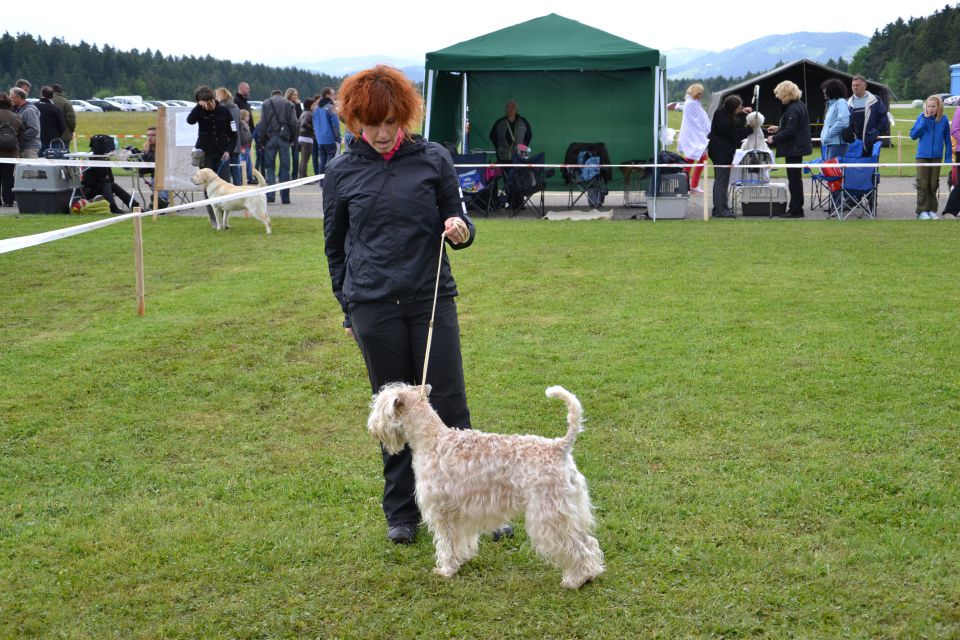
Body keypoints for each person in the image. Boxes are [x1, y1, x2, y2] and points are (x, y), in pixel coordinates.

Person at [323, 65, 484, 546]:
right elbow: (335, 248)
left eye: (390, 122)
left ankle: (475, 505)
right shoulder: (341, 171)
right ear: (354, 121)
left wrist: (460, 229)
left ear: (405, 117)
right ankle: (402, 512)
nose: (381, 133)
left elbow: (460, 219)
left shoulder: (433, 159)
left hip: (430, 298)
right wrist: (348, 308)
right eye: (370, 124)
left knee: (449, 404)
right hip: (373, 305)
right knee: (395, 411)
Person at [187, 85, 237, 225]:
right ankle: (214, 219)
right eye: (205, 103)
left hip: (223, 154)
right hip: (205, 154)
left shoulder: (225, 111)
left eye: (210, 102)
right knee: (209, 188)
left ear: (214, 99)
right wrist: (198, 107)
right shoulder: (199, 111)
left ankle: (225, 221)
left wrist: (229, 151)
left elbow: (233, 135)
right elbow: (190, 120)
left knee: (226, 187)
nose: (209, 105)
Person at [765, 80, 812, 218]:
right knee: (795, 179)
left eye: (779, 94)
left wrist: (774, 138)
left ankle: (795, 210)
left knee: (794, 180)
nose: (778, 97)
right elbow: (794, 127)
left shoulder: (792, 108)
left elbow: (791, 131)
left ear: (785, 94)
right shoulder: (800, 105)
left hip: (794, 148)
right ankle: (797, 208)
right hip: (797, 147)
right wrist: (778, 128)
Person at [707, 95, 752, 218]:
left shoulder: (720, 113)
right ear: (732, 108)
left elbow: (733, 122)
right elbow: (737, 136)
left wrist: (742, 113)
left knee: (720, 181)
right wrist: (750, 128)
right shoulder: (725, 122)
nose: (740, 109)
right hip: (721, 153)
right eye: (738, 108)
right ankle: (721, 210)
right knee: (721, 181)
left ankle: (719, 208)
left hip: (717, 151)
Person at [910, 95, 952, 220]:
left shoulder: (944, 120)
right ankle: (922, 211)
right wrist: (924, 120)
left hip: (937, 157)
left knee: (933, 184)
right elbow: (913, 135)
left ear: (939, 107)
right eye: (928, 106)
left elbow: (947, 141)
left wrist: (948, 158)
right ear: (925, 107)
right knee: (922, 183)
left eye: (933, 106)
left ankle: (932, 210)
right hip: (922, 156)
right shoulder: (921, 117)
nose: (931, 109)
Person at [259, 89, 298, 204]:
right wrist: (292, 138)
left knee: (270, 167)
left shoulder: (266, 103)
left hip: (270, 138)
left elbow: (263, 123)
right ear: (281, 94)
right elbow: (294, 123)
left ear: (272, 94)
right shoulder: (289, 104)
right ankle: (285, 197)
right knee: (285, 168)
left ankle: (270, 196)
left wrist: (262, 141)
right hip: (284, 139)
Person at [677, 83, 711, 194]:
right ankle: (692, 185)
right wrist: (707, 129)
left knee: (690, 159)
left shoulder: (688, 103)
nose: (701, 95)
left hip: (691, 135)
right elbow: (702, 118)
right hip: (694, 135)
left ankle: (685, 185)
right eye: (700, 93)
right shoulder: (693, 104)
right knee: (701, 159)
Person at [848, 74, 889, 157]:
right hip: (855, 143)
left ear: (864, 86)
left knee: (871, 167)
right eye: (853, 85)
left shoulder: (875, 100)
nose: (855, 87)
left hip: (872, 141)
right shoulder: (848, 103)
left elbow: (884, 118)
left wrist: (875, 133)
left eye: (858, 85)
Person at [0, 92, 26, 207]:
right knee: (8, 177)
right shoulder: (16, 117)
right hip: (11, 153)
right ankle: (8, 201)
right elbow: (22, 135)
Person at [313, 86, 341, 187]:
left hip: (320, 139)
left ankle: (321, 182)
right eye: (333, 94)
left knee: (322, 160)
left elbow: (314, 124)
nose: (334, 96)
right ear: (327, 95)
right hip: (330, 138)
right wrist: (338, 138)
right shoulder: (331, 107)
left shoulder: (316, 108)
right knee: (332, 161)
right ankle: (329, 182)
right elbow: (335, 124)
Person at [215, 87, 243, 185]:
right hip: (236, 143)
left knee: (223, 173)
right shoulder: (236, 108)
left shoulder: (220, 109)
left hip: (225, 144)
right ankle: (239, 192)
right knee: (236, 171)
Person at [489, 99, 532, 163]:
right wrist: (499, 147)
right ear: (505, 109)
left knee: (521, 172)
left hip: (520, 158)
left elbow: (529, 135)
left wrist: (523, 146)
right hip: (503, 158)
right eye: (508, 107)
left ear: (516, 109)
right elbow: (492, 136)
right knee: (504, 173)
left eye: (513, 107)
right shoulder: (499, 123)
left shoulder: (523, 122)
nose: (510, 109)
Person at [138, 126, 169, 211]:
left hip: (168, 174)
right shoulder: (149, 149)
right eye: (148, 135)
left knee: (158, 177)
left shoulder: (165, 147)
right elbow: (143, 171)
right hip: (156, 177)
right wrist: (145, 154)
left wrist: (147, 152)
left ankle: (160, 201)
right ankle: (160, 202)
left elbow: (158, 163)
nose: (149, 138)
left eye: (153, 135)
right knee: (156, 177)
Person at [820, 78, 850, 160]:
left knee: (833, 171)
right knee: (830, 170)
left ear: (833, 90)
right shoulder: (831, 105)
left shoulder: (840, 102)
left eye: (826, 89)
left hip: (837, 143)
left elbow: (843, 122)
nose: (823, 91)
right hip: (832, 143)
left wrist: (829, 133)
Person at [9, 87, 40, 158]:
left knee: (29, 169)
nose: (10, 99)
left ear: (18, 97)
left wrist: (19, 138)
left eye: (12, 97)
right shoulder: (19, 109)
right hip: (23, 146)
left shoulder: (29, 111)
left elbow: (34, 129)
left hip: (29, 148)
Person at [35, 86, 67, 152]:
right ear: (52, 96)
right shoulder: (56, 109)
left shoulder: (33, 106)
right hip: (53, 141)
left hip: (36, 141)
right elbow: (63, 127)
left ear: (41, 94)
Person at [286, 88, 303, 185]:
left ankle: (294, 175)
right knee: (286, 157)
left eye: (297, 95)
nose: (296, 97)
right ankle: (286, 175)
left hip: (296, 133)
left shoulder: (296, 105)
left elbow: (300, 117)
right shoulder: (286, 104)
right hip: (287, 133)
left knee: (296, 156)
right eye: (294, 95)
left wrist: (298, 105)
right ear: (289, 95)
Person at [297, 97, 315, 179]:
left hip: (301, 137)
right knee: (305, 159)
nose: (314, 106)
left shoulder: (303, 113)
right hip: (307, 138)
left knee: (303, 159)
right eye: (313, 105)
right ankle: (303, 176)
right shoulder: (309, 114)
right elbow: (304, 123)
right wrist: (312, 129)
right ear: (310, 105)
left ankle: (301, 175)